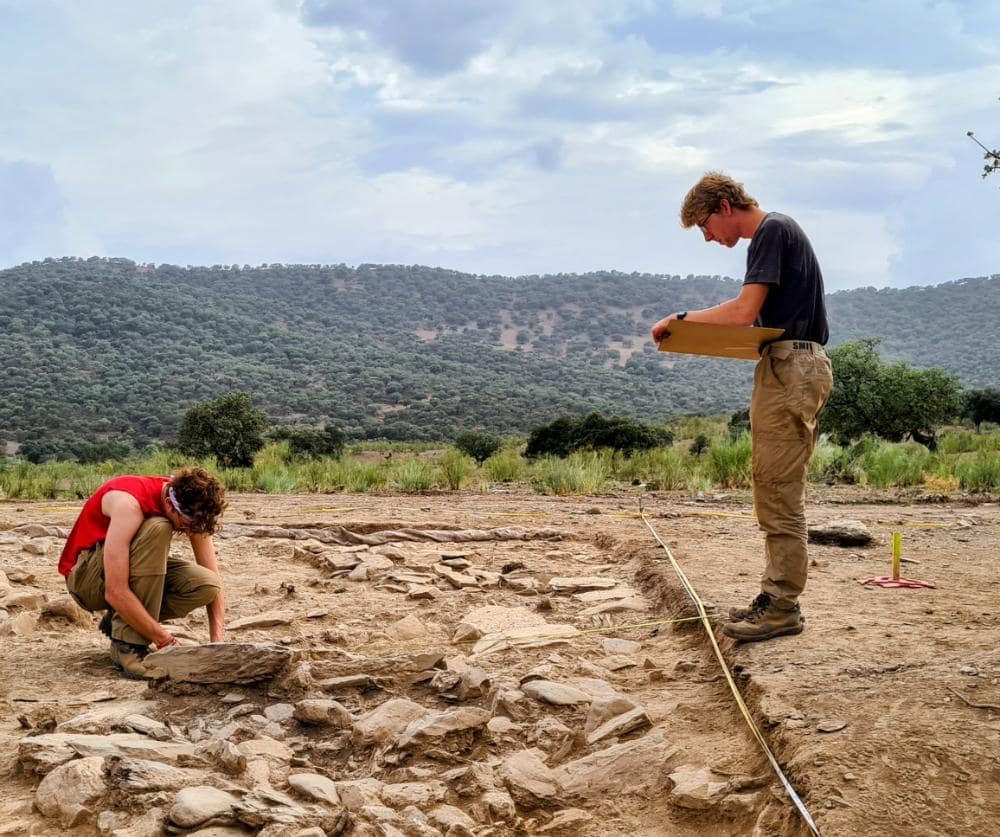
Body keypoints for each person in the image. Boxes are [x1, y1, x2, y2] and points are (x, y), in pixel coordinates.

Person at [651, 172, 833, 642]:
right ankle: (777, 599)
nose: (709, 238)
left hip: (791, 367)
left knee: (777, 488)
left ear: (726, 206)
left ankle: (780, 605)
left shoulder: (771, 231)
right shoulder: (779, 233)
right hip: (789, 364)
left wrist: (680, 320)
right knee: (774, 484)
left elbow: (741, 313)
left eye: (706, 226)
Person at [58, 467, 228, 677]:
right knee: (159, 527)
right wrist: (166, 641)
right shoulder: (128, 504)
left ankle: (121, 622)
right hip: (86, 581)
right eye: (186, 526)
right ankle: (129, 646)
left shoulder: (192, 507)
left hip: (123, 570)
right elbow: (115, 591)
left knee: (207, 585)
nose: (189, 532)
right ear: (169, 504)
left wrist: (217, 644)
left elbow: (215, 580)